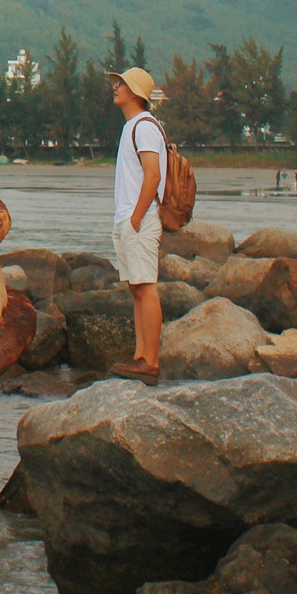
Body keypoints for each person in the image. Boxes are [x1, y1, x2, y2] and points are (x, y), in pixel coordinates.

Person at [106, 65, 167, 382]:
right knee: (137, 289)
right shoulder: (133, 126)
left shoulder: (144, 126)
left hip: (139, 218)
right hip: (130, 217)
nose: (115, 87)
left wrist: (136, 216)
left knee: (146, 287)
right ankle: (140, 355)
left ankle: (151, 361)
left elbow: (153, 175)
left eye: (121, 83)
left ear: (136, 93)